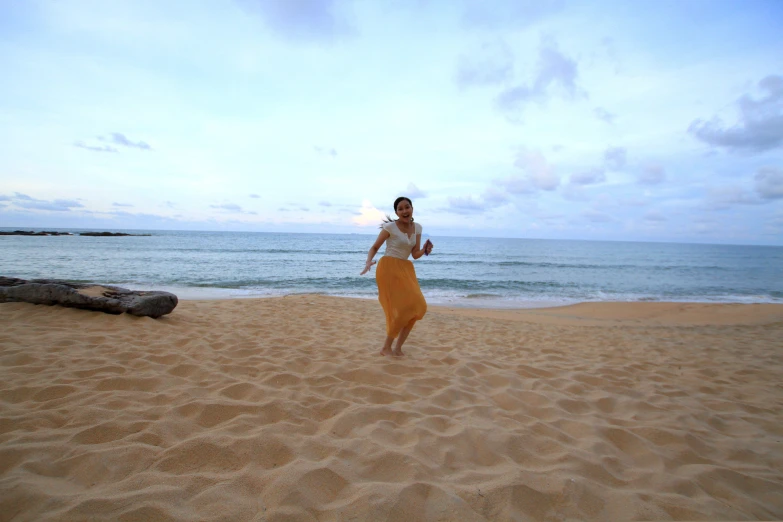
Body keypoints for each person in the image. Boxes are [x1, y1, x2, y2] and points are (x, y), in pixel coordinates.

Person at [361, 197, 433, 356]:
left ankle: (397, 347)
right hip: (388, 268)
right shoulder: (390, 227)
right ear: (396, 212)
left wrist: (426, 251)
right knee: (401, 310)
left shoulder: (418, 228)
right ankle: (386, 348)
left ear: (412, 209)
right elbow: (374, 247)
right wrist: (368, 262)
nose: (404, 211)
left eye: (407, 207)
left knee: (419, 306)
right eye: (400, 209)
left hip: (405, 268)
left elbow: (415, 254)